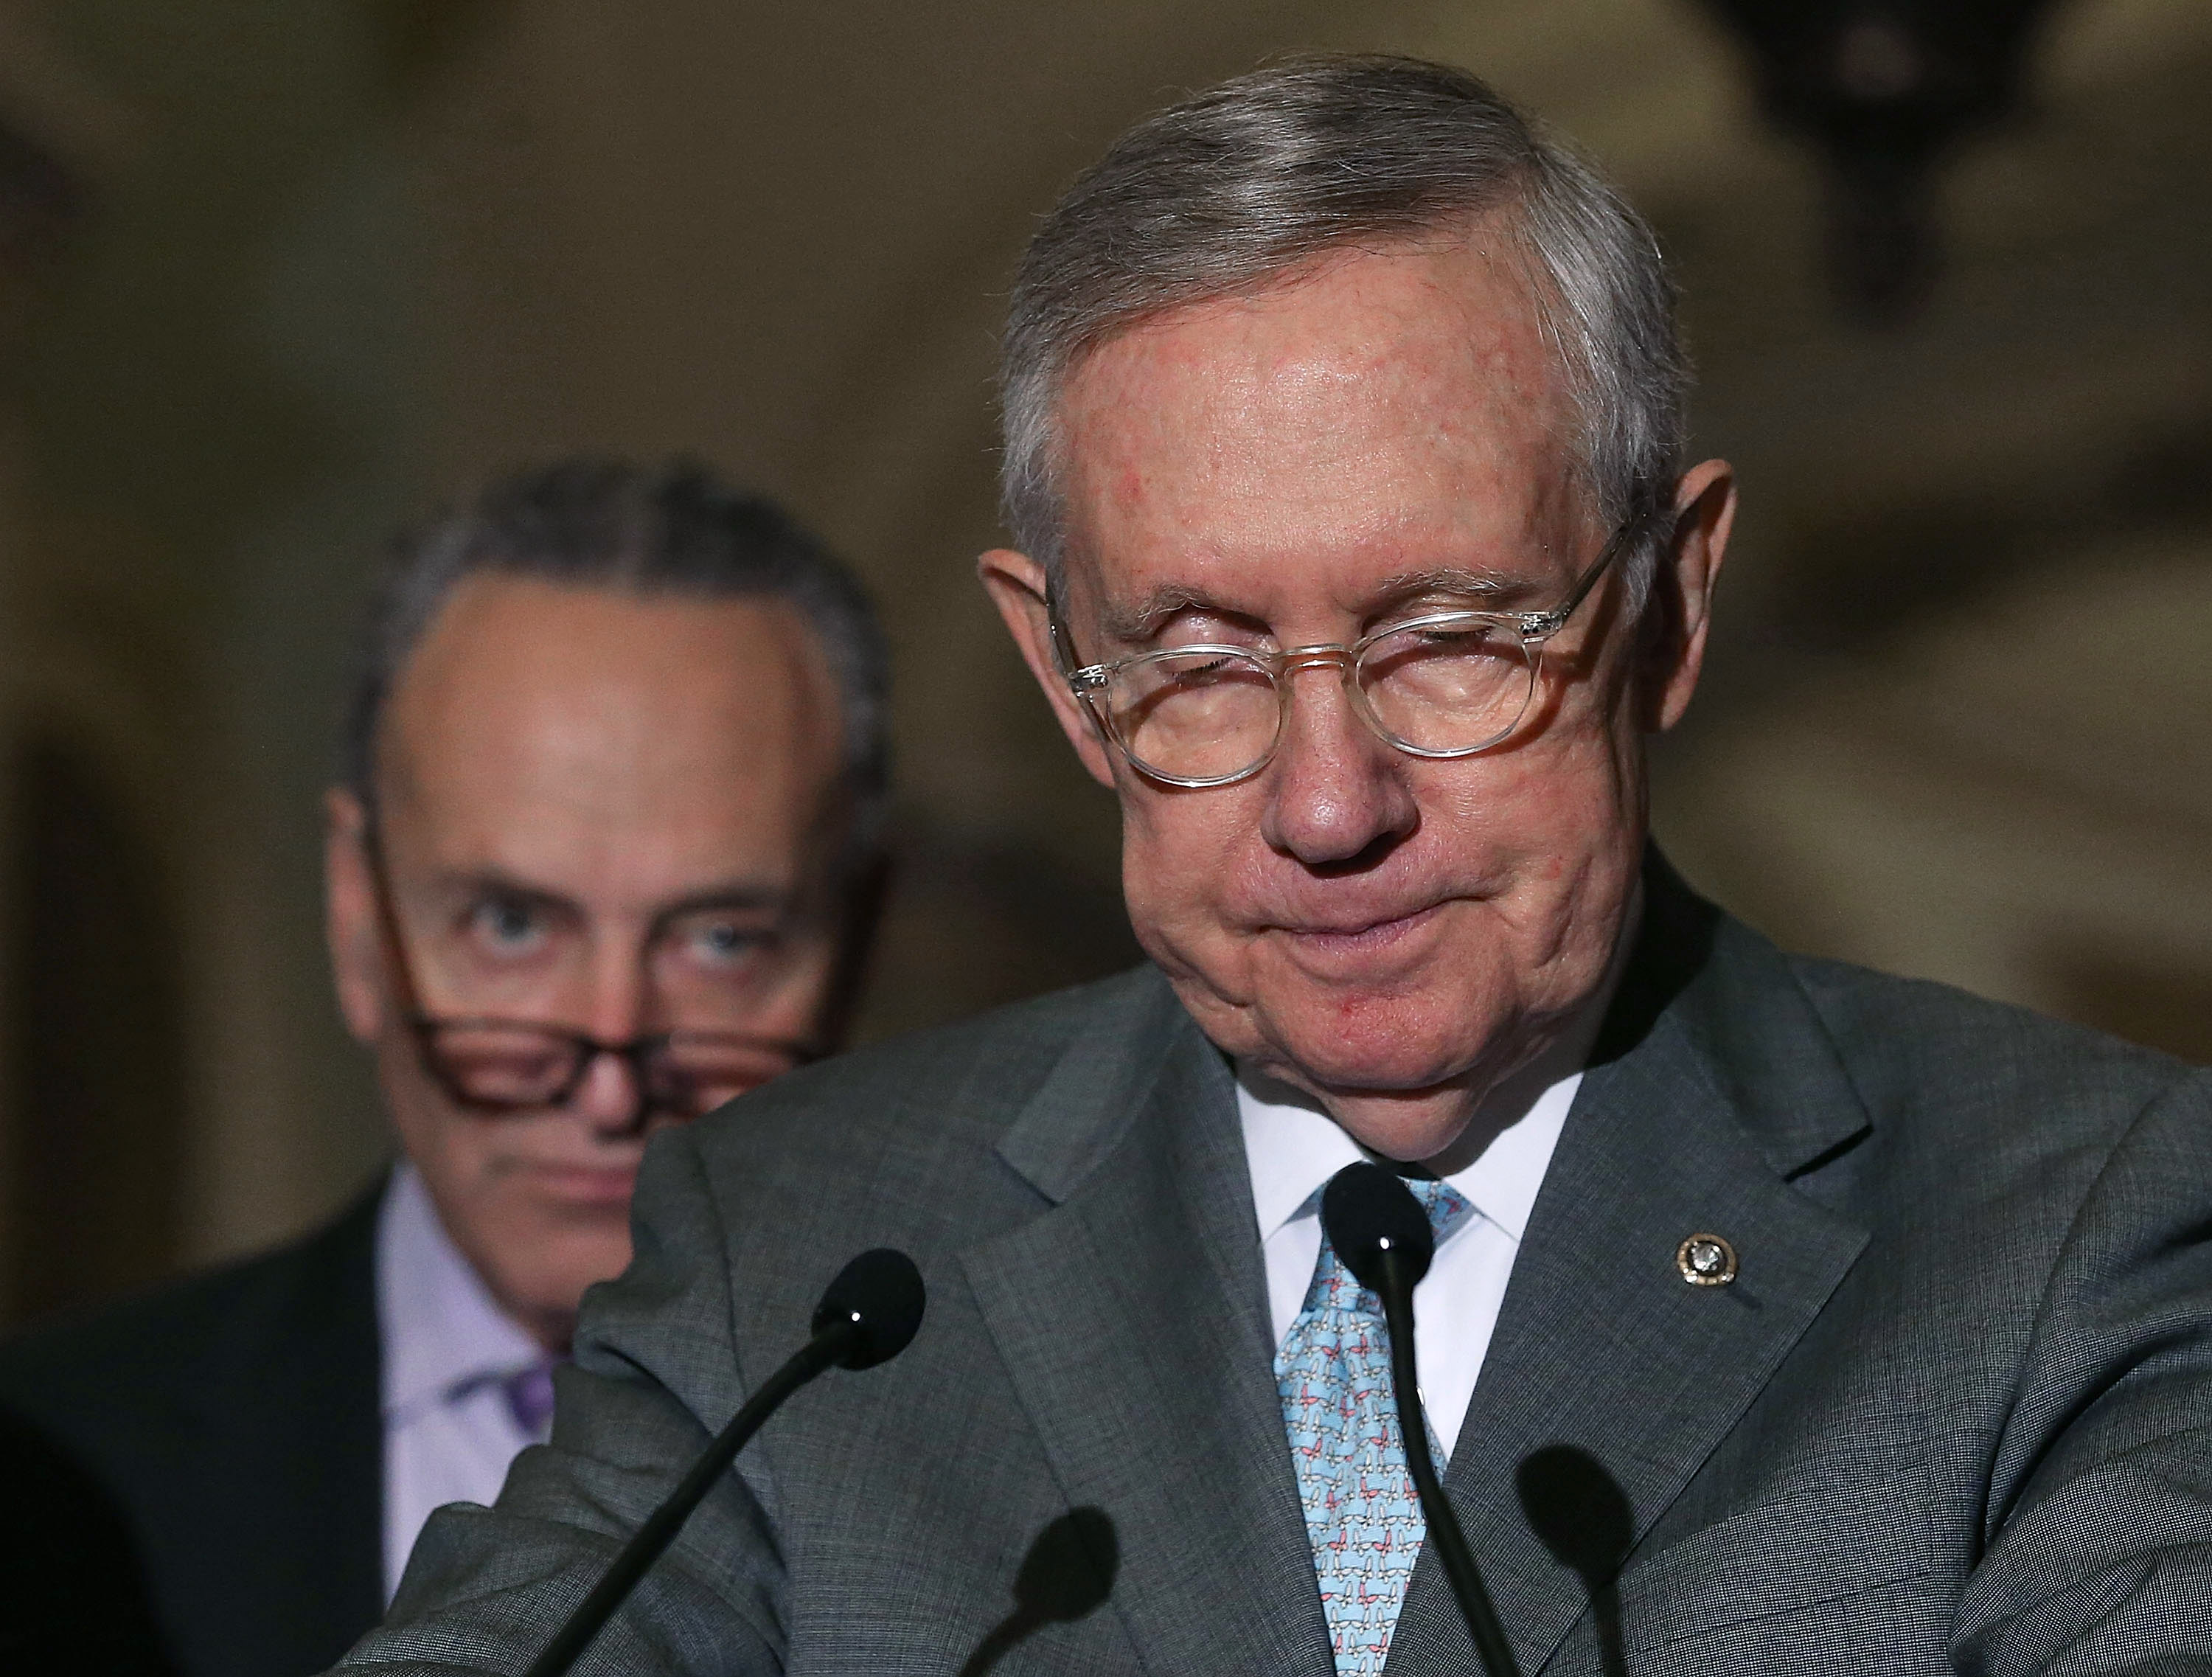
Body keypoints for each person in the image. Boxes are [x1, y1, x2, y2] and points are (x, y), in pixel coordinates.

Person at [338, 58, 2212, 1677]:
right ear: (1064, 682)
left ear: (1668, 602)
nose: (1329, 805)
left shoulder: (2072, 1228)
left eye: (1448, 637)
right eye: (1200, 664)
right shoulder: (803, 1268)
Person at [0, 458, 891, 1677]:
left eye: (720, 941)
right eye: (512, 926)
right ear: (357, 920)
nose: (610, 1080)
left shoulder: (1039, 1458)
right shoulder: (51, 1472)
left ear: (858, 939)